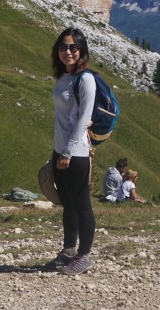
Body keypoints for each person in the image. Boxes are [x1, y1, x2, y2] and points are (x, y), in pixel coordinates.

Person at [49, 27, 97, 275]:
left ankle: (84, 255)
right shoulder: (63, 76)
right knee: (67, 204)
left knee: (81, 205)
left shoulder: (85, 79)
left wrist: (67, 152)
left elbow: (83, 119)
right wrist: (57, 152)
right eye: (63, 47)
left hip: (75, 153)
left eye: (73, 47)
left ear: (82, 51)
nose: (67, 52)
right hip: (60, 150)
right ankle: (69, 251)